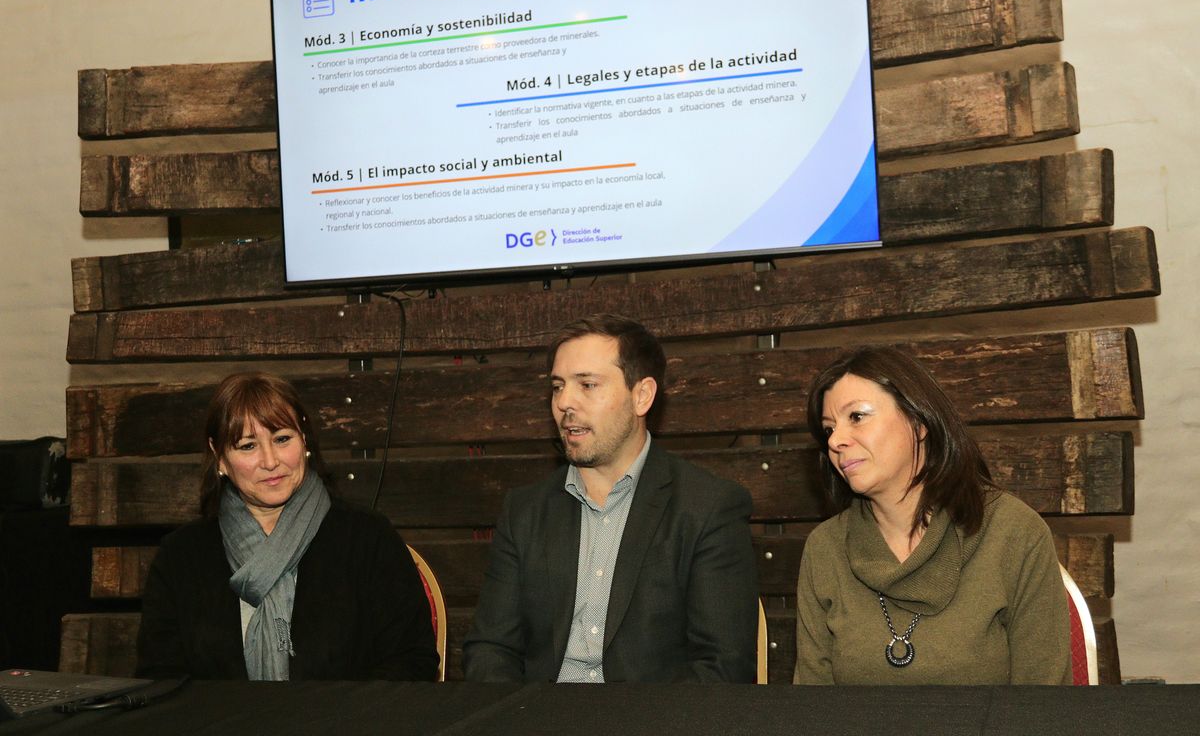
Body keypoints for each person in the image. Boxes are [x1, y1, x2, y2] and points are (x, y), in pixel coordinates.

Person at [463, 314, 759, 682]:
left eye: (587, 385)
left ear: (642, 396)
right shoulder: (525, 511)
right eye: (557, 387)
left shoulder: (707, 508)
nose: (565, 403)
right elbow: (491, 650)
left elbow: (722, 668)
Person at [793, 346, 1072, 684]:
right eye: (828, 430)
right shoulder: (825, 548)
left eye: (857, 417)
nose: (836, 440)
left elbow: (1042, 705)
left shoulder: (1014, 532)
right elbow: (812, 708)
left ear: (919, 420)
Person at [136, 371, 439, 681]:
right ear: (220, 458)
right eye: (247, 446)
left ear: (303, 440)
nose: (270, 461)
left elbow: (411, 662)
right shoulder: (180, 557)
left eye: (282, 439)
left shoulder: (368, 539)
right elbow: (161, 679)